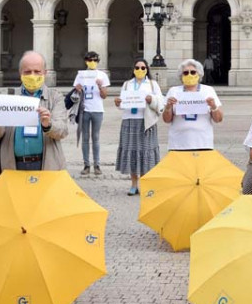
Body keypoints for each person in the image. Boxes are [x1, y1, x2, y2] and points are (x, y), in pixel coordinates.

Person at [0, 51, 69, 173]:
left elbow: (63, 131)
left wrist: (48, 124)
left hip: (46, 165)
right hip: (13, 164)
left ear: (45, 73)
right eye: (27, 72)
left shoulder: (55, 97)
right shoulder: (7, 97)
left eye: (37, 71)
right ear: (20, 74)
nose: (32, 75)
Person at [114, 60, 164, 196]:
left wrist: (151, 100)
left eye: (143, 67)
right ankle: (133, 184)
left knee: (145, 152)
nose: (140, 69)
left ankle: (145, 184)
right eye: (137, 67)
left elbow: (161, 102)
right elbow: (122, 103)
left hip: (146, 122)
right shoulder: (127, 84)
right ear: (133, 69)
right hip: (129, 121)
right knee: (132, 152)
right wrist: (118, 102)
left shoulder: (153, 84)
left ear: (147, 69)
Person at [162, 59, 223, 151]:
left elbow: (218, 119)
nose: (189, 75)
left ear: (199, 74)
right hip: (178, 143)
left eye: (193, 72)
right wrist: (168, 107)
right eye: (185, 73)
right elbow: (166, 120)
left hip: (203, 142)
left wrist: (213, 106)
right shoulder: (174, 91)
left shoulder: (208, 90)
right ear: (181, 76)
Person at [73, 51, 110, 175]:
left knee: (96, 137)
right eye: (89, 60)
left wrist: (100, 86)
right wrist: (77, 89)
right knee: (85, 138)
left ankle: (97, 164)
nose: (92, 62)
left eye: (94, 60)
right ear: (86, 61)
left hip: (97, 109)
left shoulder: (102, 75)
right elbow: (75, 92)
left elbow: (104, 96)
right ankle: (86, 165)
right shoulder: (81, 75)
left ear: (98, 61)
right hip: (84, 109)